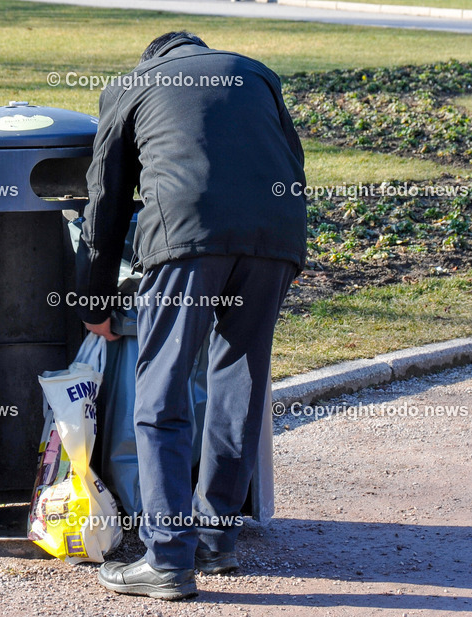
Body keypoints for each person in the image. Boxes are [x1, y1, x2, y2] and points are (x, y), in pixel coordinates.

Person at [76, 31, 306, 601]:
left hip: (186, 239)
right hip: (273, 239)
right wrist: (285, 254)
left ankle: (168, 558)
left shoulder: (133, 85)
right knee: (239, 379)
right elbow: (292, 162)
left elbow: (104, 199)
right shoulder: (255, 73)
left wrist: (92, 300)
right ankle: (215, 535)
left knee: (162, 391)